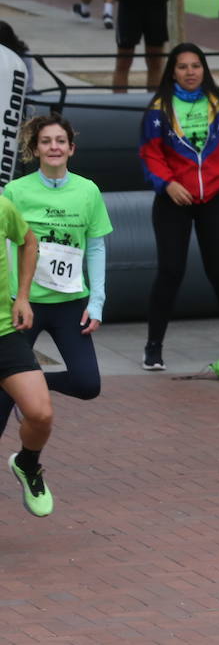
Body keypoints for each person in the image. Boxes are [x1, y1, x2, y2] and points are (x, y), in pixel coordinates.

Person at [0, 116, 113, 444]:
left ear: (71, 148)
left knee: (87, 384)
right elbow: (7, 247)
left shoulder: (87, 190)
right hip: (24, 304)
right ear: (36, 149)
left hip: (70, 304)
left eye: (60, 141)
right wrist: (13, 296)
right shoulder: (15, 191)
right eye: (46, 141)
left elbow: (95, 246)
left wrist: (97, 302)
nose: (54, 147)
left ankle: (29, 382)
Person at [138, 43, 219, 370]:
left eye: (195, 66)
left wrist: (218, 169)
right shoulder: (158, 108)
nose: (190, 72)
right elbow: (150, 153)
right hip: (172, 200)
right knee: (170, 271)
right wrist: (168, 184)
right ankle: (153, 348)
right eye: (182, 67)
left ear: (204, 69)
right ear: (172, 71)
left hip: (215, 199)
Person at [0, 181, 47, 516]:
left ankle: (27, 464)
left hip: (3, 330)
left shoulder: (3, 207)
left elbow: (28, 242)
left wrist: (24, 296)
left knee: (41, 414)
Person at [109, 0, 172, 93]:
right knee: (124, 59)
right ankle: (120, 107)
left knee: (156, 60)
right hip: (129, 2)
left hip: (156, 1)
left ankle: (154, 107)